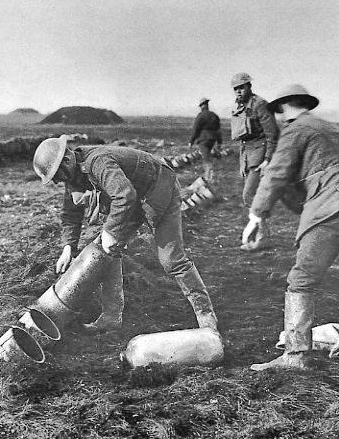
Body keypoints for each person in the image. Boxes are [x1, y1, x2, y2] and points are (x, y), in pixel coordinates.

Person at [243, 84, 339, 370]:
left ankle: (295, 355)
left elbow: (277, 173)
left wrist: (256, 214)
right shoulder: (334, 129)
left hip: (333, 205)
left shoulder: (295, 129)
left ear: (283, 108)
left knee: (301, 279)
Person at [32, 137, 219, 333]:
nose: (56, 181)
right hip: (133, 199)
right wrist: (68, 246)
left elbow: (124, 195)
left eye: (56, 176)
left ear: (67, 161)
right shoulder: (73, 175)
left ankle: (206, 316)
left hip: (158, 188)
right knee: (105, 252)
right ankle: (111, 317)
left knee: (171, 259)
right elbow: (70, 214)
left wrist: (111, 231)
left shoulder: (97, 162)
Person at [230, 72, 280, 251]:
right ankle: (261, 233)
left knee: (249, 195)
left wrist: (268, 159)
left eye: (242, 87)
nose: (239, 91)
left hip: (260, 157)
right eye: (236, 89)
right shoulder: (241, 107)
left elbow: (272, 135)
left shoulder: (260, 105)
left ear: (249, 87)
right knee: (252, 196)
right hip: (247, 156)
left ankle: (263, 235)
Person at [188, 97, 222, 183]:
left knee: (206, 158)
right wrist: (219, 142)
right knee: (208, 157)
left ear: (201, 106)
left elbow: (196, 129)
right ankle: (209, 175)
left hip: (203, 140)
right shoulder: (214, 115)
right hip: (212, 139)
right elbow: (218, 130)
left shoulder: (200, 116)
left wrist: (191, 141)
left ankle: (209, 177)